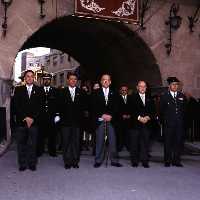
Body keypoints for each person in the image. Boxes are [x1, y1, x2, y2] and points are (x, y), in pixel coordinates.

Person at [91, 74, 122, 168]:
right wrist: (102, 115)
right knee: (99, 141)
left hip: (112, 121)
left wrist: (111, 116)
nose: (105, 81)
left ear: (110, 82)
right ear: (101, 81)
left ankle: (114, 160)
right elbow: (93, 107)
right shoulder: (95, 93)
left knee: (113, 141)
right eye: (104, 79)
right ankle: (98, 160)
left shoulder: (115, 93)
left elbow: (117, 107)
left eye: (107, 80)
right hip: (100, 120)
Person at [13, 70, 41, 171]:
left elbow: (40, 107)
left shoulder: (39, 90)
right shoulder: (18, 89)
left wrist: (32, 118)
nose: (29, 78)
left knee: (33, 145)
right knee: (21, 144)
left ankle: (32, 163)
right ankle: (22, 164)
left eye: (31, 76)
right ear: (25, 78)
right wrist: (25, 117)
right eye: (27, 76)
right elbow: (16, 106)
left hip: (34, 122)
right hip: (22, 122)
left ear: (34, 78)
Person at [58, 72, 86, 169]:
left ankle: (75, 161)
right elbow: (59, 107)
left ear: (76, 81)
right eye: (71, 79)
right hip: (65, 123)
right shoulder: (62, 92)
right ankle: (67, 161)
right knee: (66, 142)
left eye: (75, 79)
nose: (73, 81)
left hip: (77, 123)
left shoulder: (81, 92)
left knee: (76, 142)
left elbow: (84, 108)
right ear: (68, 80)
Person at [160, 77, 186, 167]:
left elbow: (184, 111)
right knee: (168, 142)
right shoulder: (164, 96)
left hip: (179, 124)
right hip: (168, 124)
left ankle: (176, 161)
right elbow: (161, 111)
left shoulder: (181, 96)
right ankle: (167, 160)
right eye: (173, 84)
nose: (175, 86)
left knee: (178, 142)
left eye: (177, 84)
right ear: (169, 85)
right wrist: (163, 122)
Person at [129, 81, 155, 168]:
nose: (142, 88)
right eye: (140, 86)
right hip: (135, 124)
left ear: (146, 88)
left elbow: (153, 111)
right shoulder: (132, 97)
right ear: (137, 87)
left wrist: (147, 118)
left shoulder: (150, 98)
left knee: (145, 143)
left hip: (146, 124)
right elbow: (131, 111)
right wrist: (139, 118)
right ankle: (134, 161)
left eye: (144, 86)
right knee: (134, 143)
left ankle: (145, 161)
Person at [37, 73, 58, 157]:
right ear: (43, 80)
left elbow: (57, 104)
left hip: (51, 117)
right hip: (41, 117)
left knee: (52, 135)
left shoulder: (55, 91)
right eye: (45, 79)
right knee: (40, 135)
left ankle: (52, 151)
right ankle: (39, 151)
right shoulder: (38, 90)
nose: (46, 80)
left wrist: (57, 115)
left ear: (50, 80)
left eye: (48, 79)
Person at [116, 85, 131, 152]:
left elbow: (133, 108)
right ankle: (120, 146)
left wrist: (130, 115)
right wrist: (122, 115)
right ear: (120, 91)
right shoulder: (117, 98)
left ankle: (128, 146)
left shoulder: (131, 98)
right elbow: (116, 109)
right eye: (123, 90)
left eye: (125, 90)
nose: (124, 91)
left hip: (129, 120)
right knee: (120, 134)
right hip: (120, 120)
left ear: (127, 91)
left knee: (128, 134)